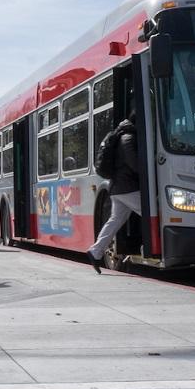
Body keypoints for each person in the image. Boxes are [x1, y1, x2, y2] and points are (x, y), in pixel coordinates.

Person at [86, 112, 141, 274]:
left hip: (118, 188)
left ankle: (95, 251)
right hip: (127, 187)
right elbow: (135, 164)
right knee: (155, 213)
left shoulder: (121, 134)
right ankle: (164, 247)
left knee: (115, 220)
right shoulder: (128, 138)